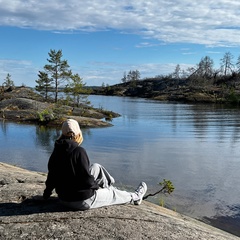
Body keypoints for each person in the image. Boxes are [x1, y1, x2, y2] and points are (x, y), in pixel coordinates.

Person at [43, 118, 147, 210]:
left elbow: (51, 177)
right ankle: (136, 197)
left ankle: (108, 186)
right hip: (81, 200)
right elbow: (86, 181)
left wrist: (46, 195)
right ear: (77, 133)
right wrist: (96, 186)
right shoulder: (79, 151)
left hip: (63, 198)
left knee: (96, 167)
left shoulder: (56, 151)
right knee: (113, 194)